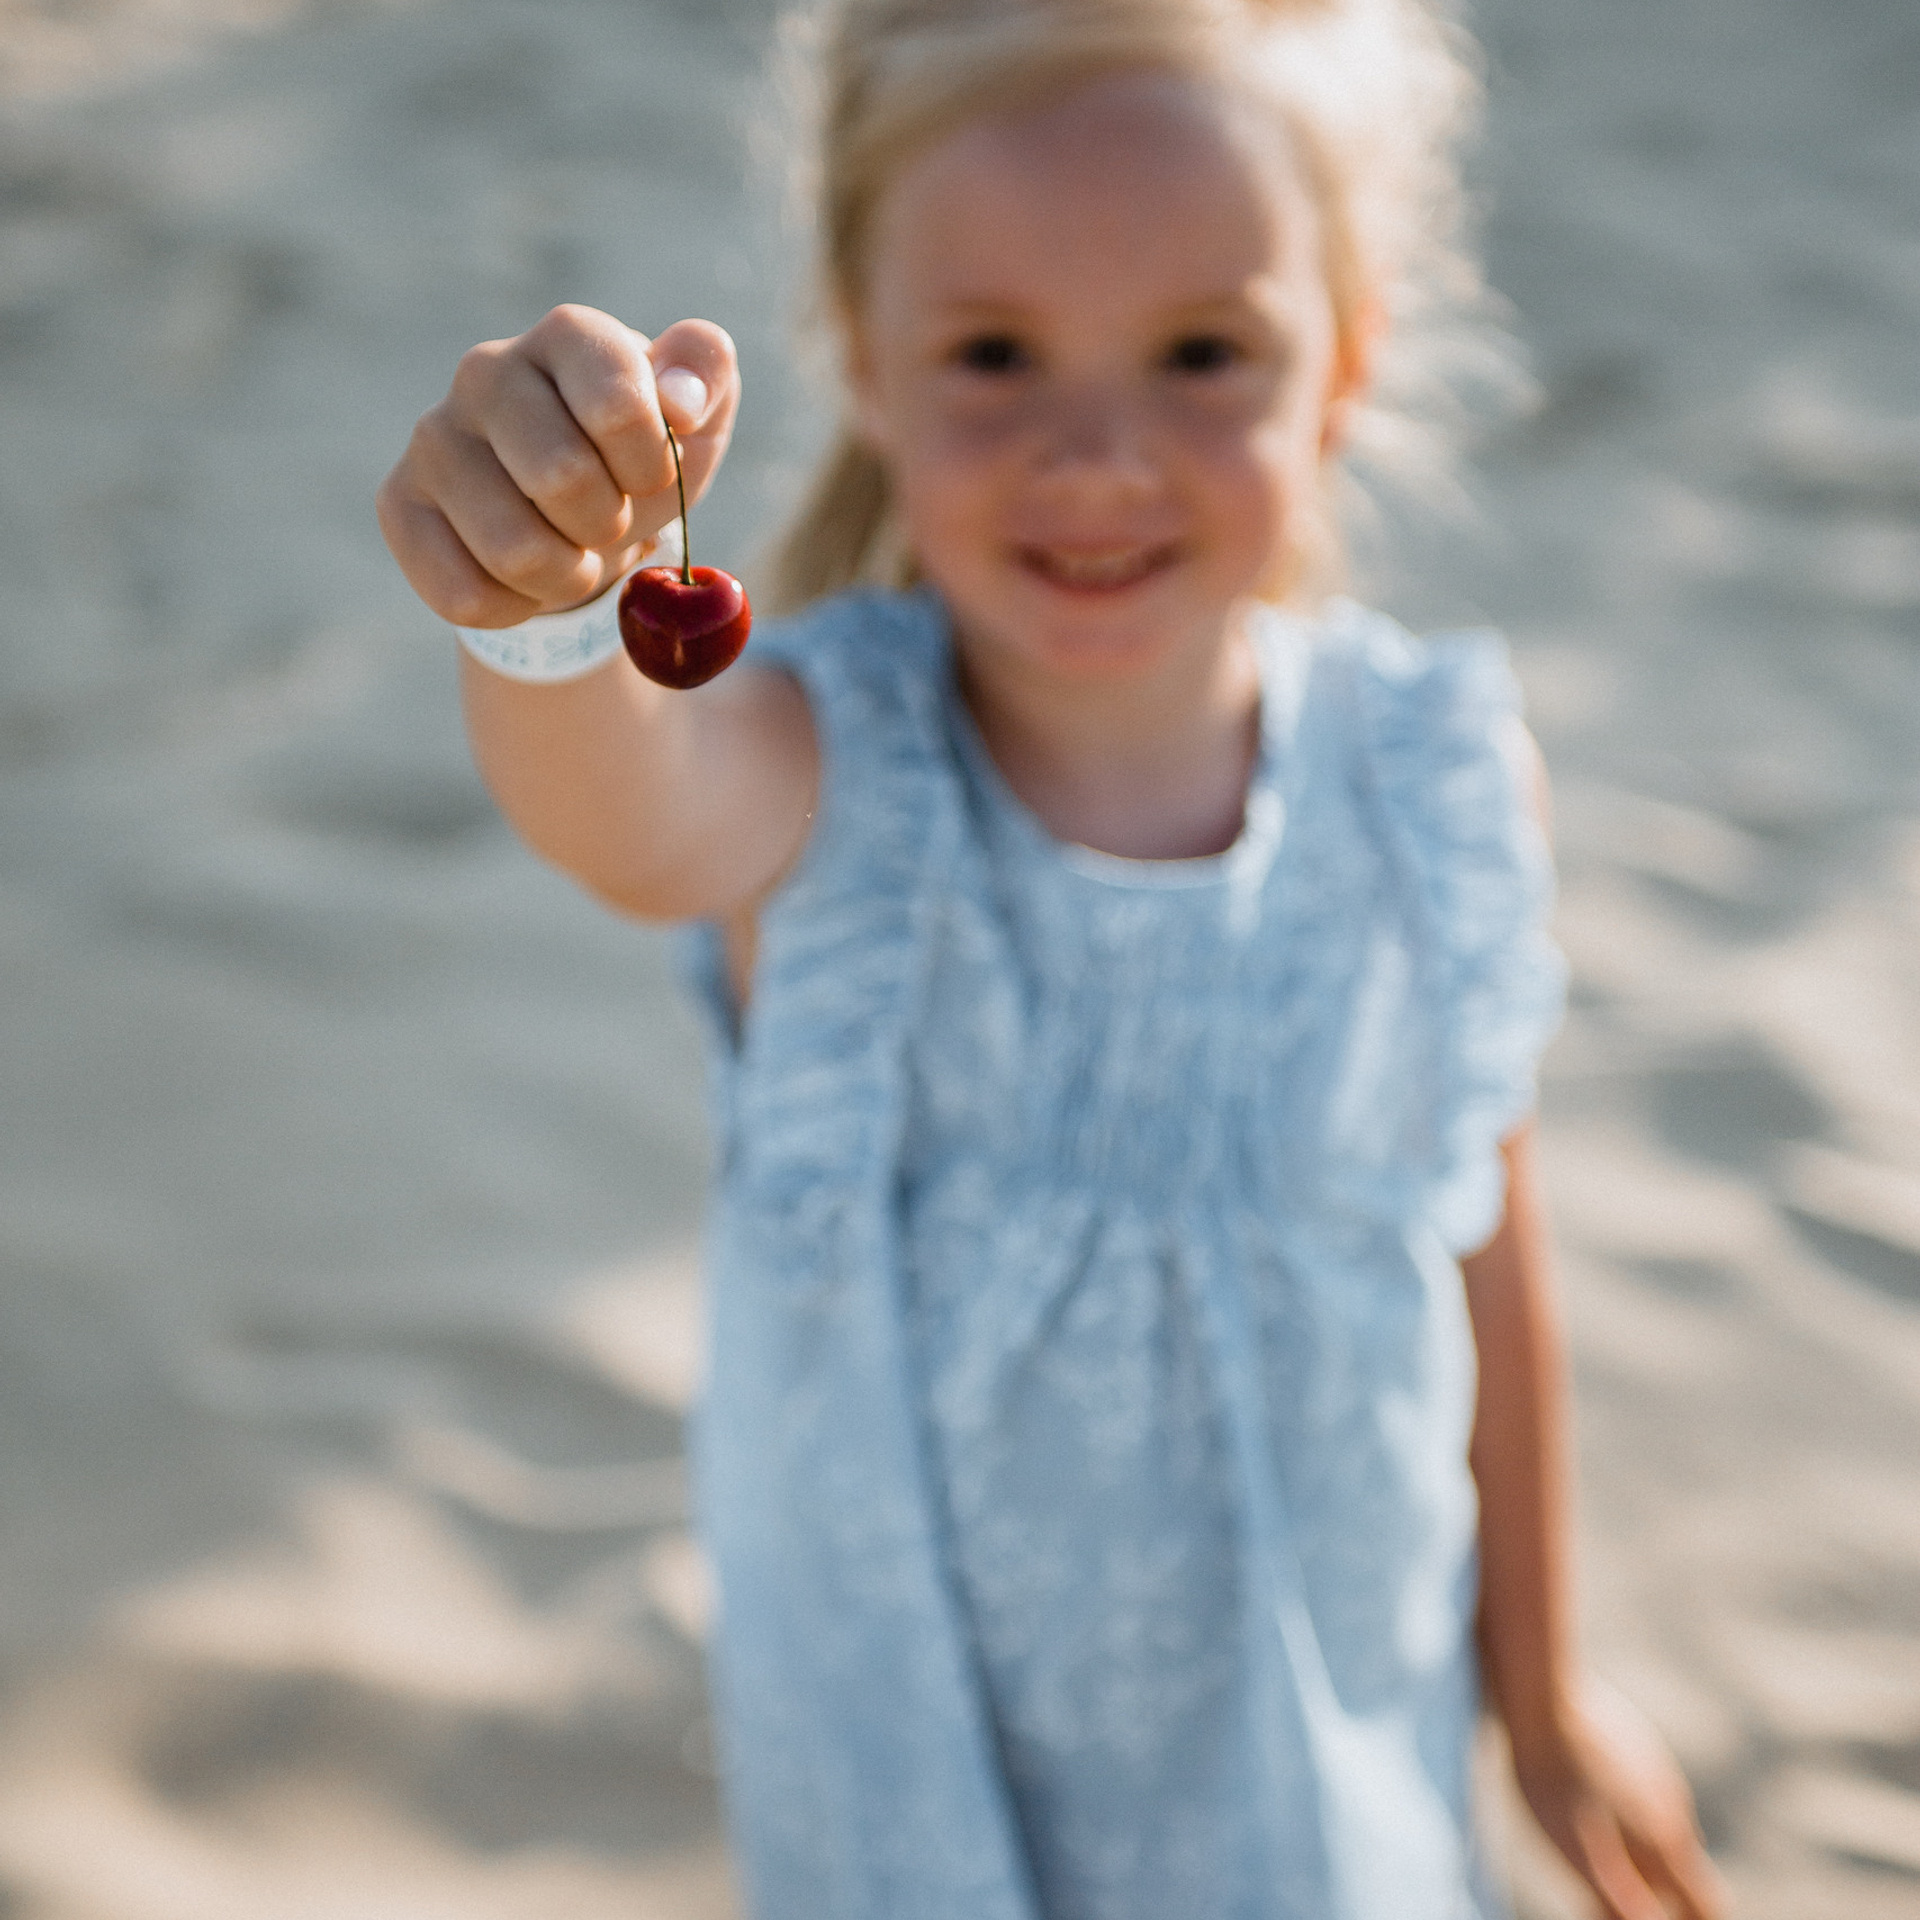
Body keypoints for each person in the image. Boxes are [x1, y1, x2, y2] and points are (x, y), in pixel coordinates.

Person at [377, 2, 1728, 1914]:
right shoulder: (828, 769)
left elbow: (1477, 1226)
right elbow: (629, 813)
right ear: (863, 358)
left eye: (1202, 353)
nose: (1098, 449)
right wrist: (543, 614)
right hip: (934, 1774)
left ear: (1342, 363)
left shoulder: (1429, 782)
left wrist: (1544, 1678)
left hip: (1321, 1720)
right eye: (996, 353)